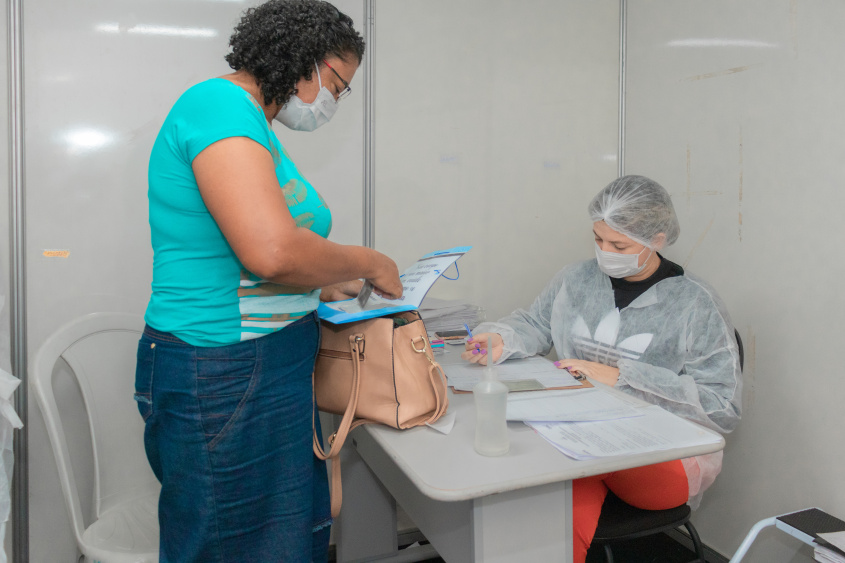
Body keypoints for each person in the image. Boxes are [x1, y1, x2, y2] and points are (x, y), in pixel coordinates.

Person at [134, 1, 402, 562]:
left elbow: (251, 257)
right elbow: (273, 251)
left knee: (284, 539)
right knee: (235, 547)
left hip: (267, 362)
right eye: (338, 84)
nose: (334, 101)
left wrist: (318, 286)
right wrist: (370, 263)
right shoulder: (218, 105)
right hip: (224, 370)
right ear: (305, 61)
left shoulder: (254, 124)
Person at [461, 175, 742, 563]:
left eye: (619, 244)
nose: (604, 252)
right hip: (581, 435)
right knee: (555, 495)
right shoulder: (576, 279)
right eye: (598, 239)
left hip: (663, 456)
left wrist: (623, 376)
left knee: (552, 482)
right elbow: (538, 323)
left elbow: (721, 406)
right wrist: (501, 338)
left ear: (657, 239)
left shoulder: (696, 303)